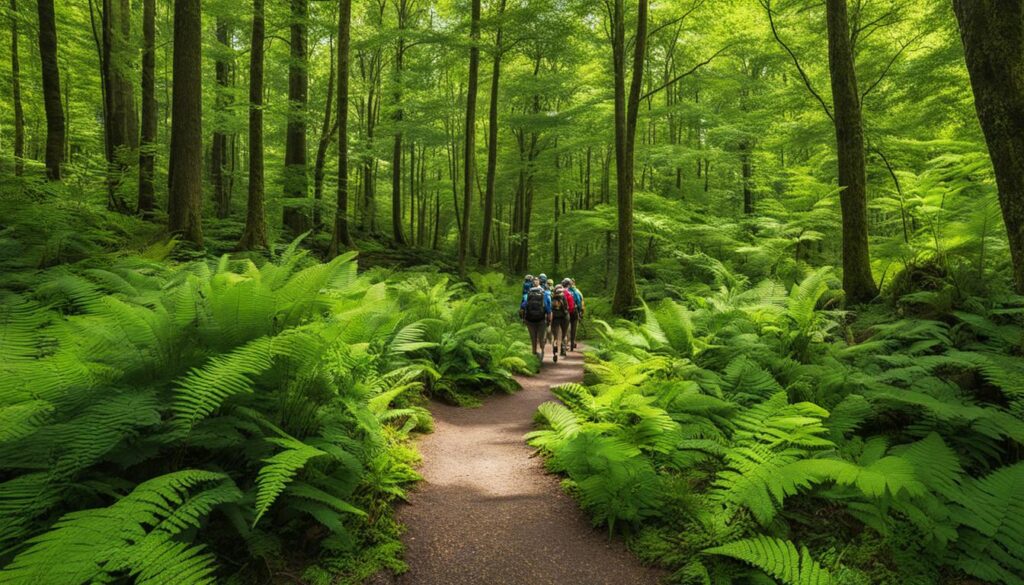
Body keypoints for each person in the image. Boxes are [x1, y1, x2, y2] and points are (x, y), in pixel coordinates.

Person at [520, 277, 551, 361]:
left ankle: (534, 354)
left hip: (529, 320)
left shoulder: (527, 295)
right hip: (541, 321)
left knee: (533, 339)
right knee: (541, 338)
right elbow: (548, 310)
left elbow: (522, 308)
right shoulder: (544, 295)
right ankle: (542, 353)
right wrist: (548, 321)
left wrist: (523, 319)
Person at [550, 284, 573, 362]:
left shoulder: (552, 297)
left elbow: (549, 308)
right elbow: (568, 308)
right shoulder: (565, 296)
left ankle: (555, 352)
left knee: (555, 336)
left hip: (555, 318)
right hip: (565, 317)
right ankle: (563, 348)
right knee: (564, 333)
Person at [564, 278, 585, 351]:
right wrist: (580, 312)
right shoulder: (577, 291)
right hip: (575, 312)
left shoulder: (565, 291)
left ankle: (566, 344)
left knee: (567, 328)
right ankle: (572, 343)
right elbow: (580, 302)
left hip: (567, 312)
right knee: (574, 328)